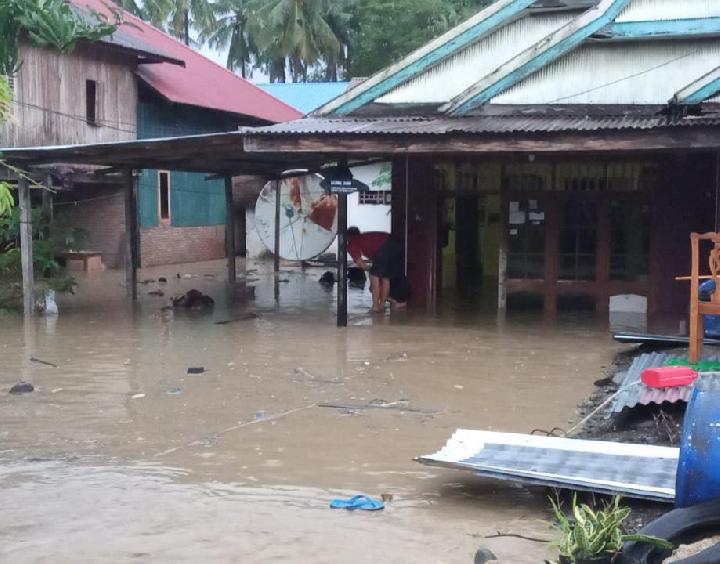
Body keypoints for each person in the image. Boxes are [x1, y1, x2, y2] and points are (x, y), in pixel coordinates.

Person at [346, 227, 403, 313]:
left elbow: (361, 264)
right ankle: (382, 305)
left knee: (374, 276)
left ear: (348, 236)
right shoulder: (365, 237)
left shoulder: (352, 242)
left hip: (385, 247)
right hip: (397, 244)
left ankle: (375, 307)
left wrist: (371, 271)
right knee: (385, 277)